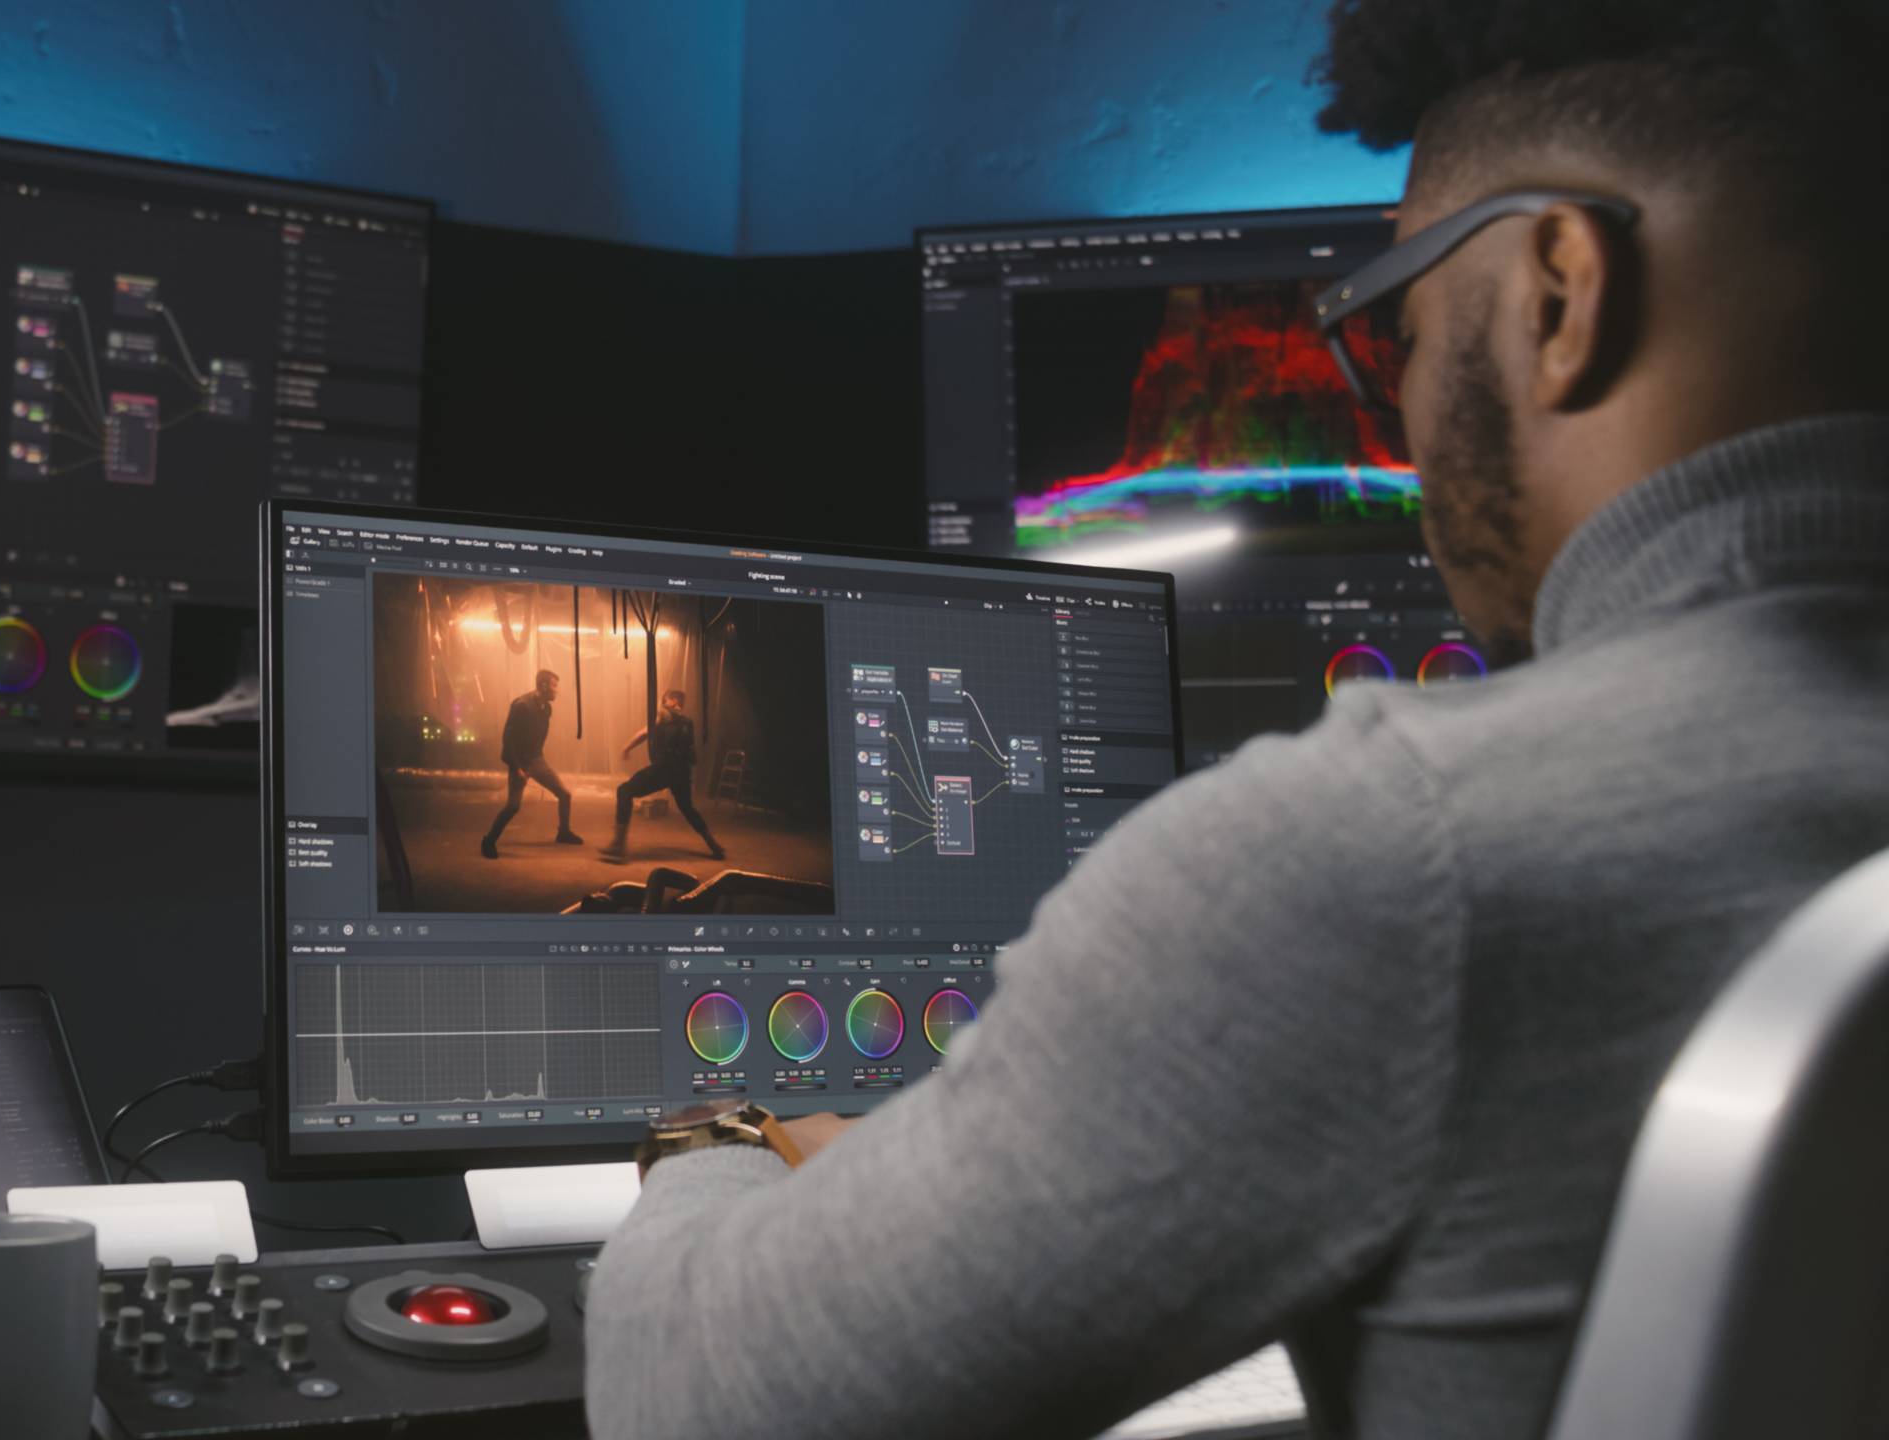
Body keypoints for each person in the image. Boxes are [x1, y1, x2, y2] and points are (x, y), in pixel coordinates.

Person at [584, 3, 1889, 1438]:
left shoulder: (1391, 855)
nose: (1392, 390)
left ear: (1556, 292)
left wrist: (716, 1142)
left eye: (1395, 326)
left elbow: (697, 1399)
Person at [602, 688, 723, 861]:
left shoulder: (663, 715)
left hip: (664, 770)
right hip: (681, 771)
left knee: (624, 791)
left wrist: (627, 748)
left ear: (673, 701)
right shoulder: (688, 722)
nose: (662, 703)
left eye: (665, 700)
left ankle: (618, 845)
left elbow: (644, 733)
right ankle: (714, 845)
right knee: (687, 808)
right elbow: (690, 753)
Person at [480, 668, 582, 858]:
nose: (556, 690)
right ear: (543, 686)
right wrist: (517, 766)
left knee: (564, 795)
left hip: (536, 759)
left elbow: (538, 737)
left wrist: (537, 760)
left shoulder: (547, 708)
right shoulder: (522, 706)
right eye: (554, 686)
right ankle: (488, 841)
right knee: (513, 806)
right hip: (519, 761)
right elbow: (508, 739)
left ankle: (564, 833)